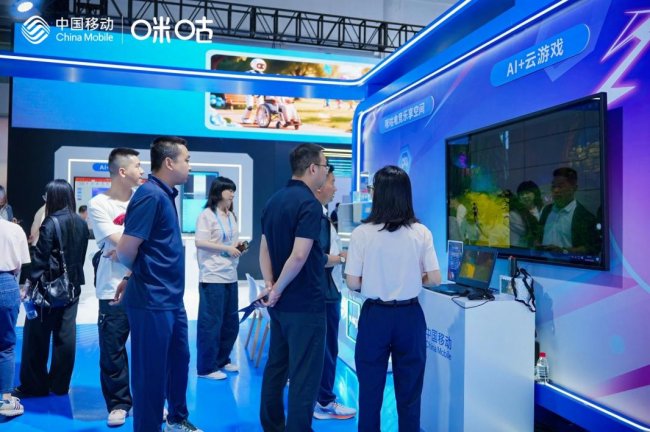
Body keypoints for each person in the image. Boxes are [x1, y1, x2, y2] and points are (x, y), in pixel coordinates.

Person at [115, 136, 202, 432]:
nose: (189, 165)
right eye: (186, 160)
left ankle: (176, 419)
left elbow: (150, 248)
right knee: (150, 376)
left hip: (171, 300)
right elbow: (126, 250)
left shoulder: (164, 195)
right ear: (169, 163)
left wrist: (131, 275)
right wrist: (139, 275)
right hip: (152, 301)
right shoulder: (150, 195)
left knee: (179, 361)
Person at [345, 165, 441, 432]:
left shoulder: (362, 233)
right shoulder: (421, 232)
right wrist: (412, 278)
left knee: (370, 392)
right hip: (410, 316)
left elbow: (352, 282)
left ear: (379, 194)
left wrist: (375, 279)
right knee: (410, 394)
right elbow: (435, 278)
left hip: (375, 316)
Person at [258, 143, 329, 432]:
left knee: (276, 367)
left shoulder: (273, 201)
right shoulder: (310, 204)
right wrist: (277, 289)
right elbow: (299, 255)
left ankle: (272, 426)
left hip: (281, 306)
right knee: (304, 375)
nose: (326, 172)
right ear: (312, 168)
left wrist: (270, 285)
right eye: (325, 166)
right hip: (304, 304)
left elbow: (264, 249)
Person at [15, 179, 89, 398]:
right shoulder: (81, 223)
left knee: (36, 338)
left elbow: (40, 260)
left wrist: (28, 285)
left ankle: (34, 385)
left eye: (47, 196)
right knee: (65, 336)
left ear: (54, 197)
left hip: (48, 289)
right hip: (72, 288)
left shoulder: (50, 223)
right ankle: (59, 384)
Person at [87, 148, 143, 427]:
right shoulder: (99, 204)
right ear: (122, 171)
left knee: (148, 348)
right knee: (113, 349)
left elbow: (144, 240)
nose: (142, 170)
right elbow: (119, 239)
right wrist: (134, 244)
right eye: (137, 165)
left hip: (143, 285)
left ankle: (150, 400)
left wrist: (125, 248)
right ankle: (119, 403)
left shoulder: (144, 199)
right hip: (111, 287)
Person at [313, 167, 356, 420]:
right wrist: (341, 258)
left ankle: (321, 398)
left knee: (325, 349)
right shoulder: (317, 217)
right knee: (327, 349)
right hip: (326, 292)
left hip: (325, 291)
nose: (335, 187)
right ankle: (325, 402)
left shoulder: (320, 215)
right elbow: (318, 257)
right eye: (332, 181)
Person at [195, 176, 244, 381]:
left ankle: (222, 359)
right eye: (229, 190)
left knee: (230, 322)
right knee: (211, 323)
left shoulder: (231, 215)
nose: (232, 194)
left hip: (230, 275)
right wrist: (226, 248)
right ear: (218, 192)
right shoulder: (207, 215)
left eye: (233, 190)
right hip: (212, 275)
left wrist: (237, 247)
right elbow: (200, 242)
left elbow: (231, 242)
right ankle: (206, 367)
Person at [0, 216, 30, 417]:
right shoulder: (14, 229)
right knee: (5, 345)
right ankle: (5, 401)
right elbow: (22, 264)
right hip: (6, 282)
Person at [540, 167, 599, 255]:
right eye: (553, 186)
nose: (556, 190)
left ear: (574, 188)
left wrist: (564, 251)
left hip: (569, 263)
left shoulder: (585, 216)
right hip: (541, 262)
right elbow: (539, 235)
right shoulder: (546, 210)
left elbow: (592, 248)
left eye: (560, 186)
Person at [509, 181, 543, 248]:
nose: (524, 196)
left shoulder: (543, 210)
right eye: (521, 194)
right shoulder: (514, 214)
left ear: (535, 194)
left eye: (527, 193)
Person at [241, 58, 267, 124]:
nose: (261, 66)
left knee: (261, 106)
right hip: (249, 91)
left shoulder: (263, 74)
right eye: (259, 65)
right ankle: (245, 118)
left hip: (259, 92)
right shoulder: (249, 72)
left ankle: (258, 119)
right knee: (250, 106)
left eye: (262, 65)